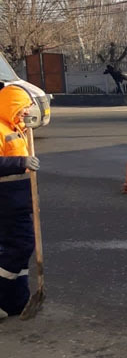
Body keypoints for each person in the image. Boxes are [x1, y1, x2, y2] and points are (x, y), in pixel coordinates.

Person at [0, 84, 39, 320]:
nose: (26, 112)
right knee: (21, 245)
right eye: (22, 107)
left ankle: (17, 301)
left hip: (19, 198)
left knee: (18, 251)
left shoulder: (18, 128)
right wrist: (21, 162)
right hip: (5, 199)